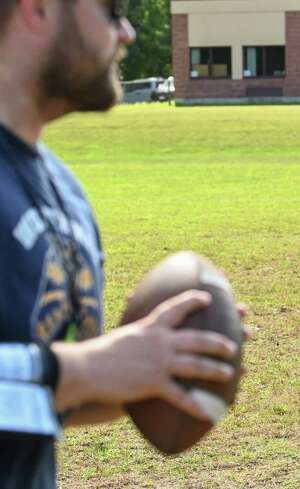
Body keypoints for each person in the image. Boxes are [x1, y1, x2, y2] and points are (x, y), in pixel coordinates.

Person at [0, 2, 245, 487]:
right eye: (112, 10)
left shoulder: (66, 197)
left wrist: (162, 364)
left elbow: (43, 399)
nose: (128, 32)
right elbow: (72, 372)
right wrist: (89, 367)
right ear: (38, 8)